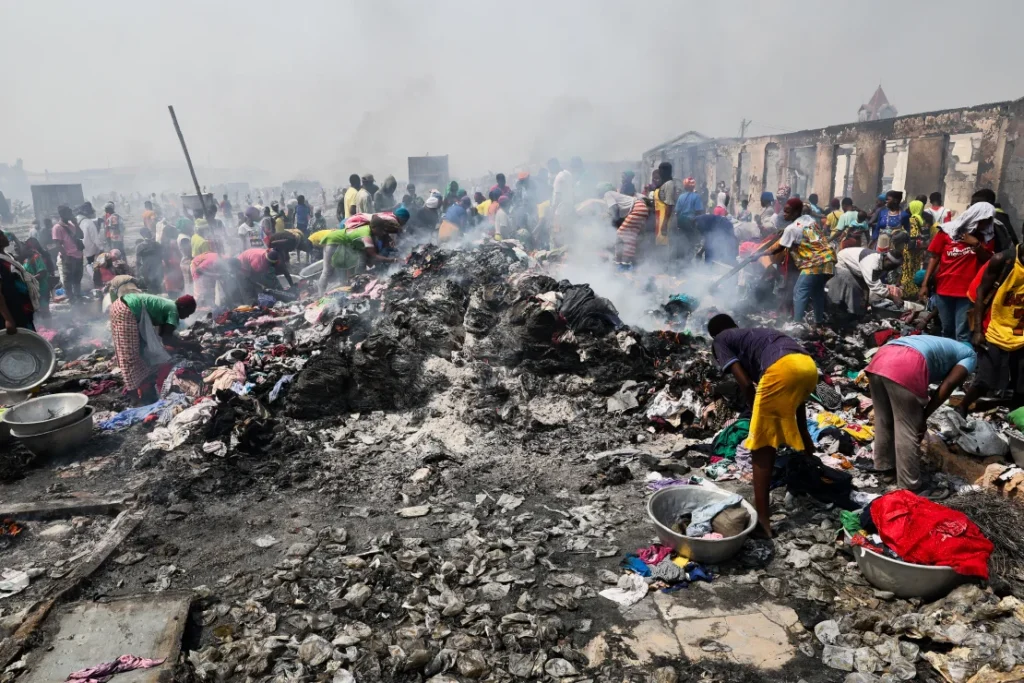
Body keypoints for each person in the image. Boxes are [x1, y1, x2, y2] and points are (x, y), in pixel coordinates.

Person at [709, 314, 818, 537]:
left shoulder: (720, 339)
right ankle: (812, 464)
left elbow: (745, 382)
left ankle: (763, 523)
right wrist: (804, 433)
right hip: (808, 368)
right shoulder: (755, 334)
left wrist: (753, 408)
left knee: (761, 446)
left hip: (781, 369)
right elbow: (794, 386)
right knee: (774, 437)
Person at [864, 336, 976, 491]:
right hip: (906, 363)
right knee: (907, 427)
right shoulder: (970, 355)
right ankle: (909, 485)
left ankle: (885, 468)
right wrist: (924, 416)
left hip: (880, 358)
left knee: (883, 418)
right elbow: (949, 384)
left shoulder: (942, 344)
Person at [959, 242, 1024, 415]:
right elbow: (980, 292)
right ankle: (962, 407)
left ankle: (1012, 420)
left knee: (1021, 385)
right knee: (985, 381)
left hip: (1020, 331)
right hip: (995, 328)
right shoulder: (1004, 260)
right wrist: (978, 331)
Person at [920, 203, 996, 342]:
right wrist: (925, 284)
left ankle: (961, 361)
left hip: (967, 292)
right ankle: (948, 360)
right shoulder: (947, 232)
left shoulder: (985, 238)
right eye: (985, 220)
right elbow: (934, 257)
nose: (988, 224)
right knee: (947, 330)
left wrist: (976, 245)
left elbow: (989, 261)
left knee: (962, 333)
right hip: (944, 289)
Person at [109, 292, 197, 404]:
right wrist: (191, 345)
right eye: (188, 313)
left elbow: (163, 334)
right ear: (182, 307)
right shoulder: (173, 310)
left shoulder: (169, 305)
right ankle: (134, 398)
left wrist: (180, 344)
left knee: (140, 349)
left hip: (120, 305)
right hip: (127, 310)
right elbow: (167, 340)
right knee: (129, 354)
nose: (187, 316)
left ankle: (143, 387)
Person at [768, 200, 835, 326]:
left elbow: (779, 248)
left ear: (797, 212)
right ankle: (818, 322)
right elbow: (802, 230)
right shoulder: (809, 220)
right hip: (828, 259)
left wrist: (761, 254)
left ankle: (796, 324)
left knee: (799, 291)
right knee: (817, 292)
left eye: (788, 212)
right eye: (784, 211)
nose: (784, 214)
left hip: (814, 262)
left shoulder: (791, 228)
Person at [318, 210, 408, 293]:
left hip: (346, 245)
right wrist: (394, 260)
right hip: (333, 241)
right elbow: (374, 256)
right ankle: (320, 294)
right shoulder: (366, 236)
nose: (383, 232)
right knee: (327, 271)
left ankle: (358, 283)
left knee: (360, 262)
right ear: (374, 228)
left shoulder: (369, 230)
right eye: (381, 230)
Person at [828, 246, 904, 320]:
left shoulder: (883, 263)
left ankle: (858, 312)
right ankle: (847, 313)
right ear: (887, 259)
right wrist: (894, 297)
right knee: (853, 287)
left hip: (856, 266)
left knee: (862, 291)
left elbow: (868, 283)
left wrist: (865, 300)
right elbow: (875, 286)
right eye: (893, 266)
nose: (893, 268)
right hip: (844, 262)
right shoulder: (872, 262)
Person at [0, 230, 37, 333]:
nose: (3, 237)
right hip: (13, 312)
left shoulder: (8, 256)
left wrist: (15, 239)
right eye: (0, 236)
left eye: (2, 234)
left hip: (22, 309)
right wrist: (8, 319)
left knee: (29, 338)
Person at [604, 191, 648, 267]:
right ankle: (627, 263)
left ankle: (620, 263)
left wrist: (612, 223)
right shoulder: (616, 196)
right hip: (642, 208)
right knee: (630, 238)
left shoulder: (607, 194)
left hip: (637, 208)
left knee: (620, 235)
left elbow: (615, 211)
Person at [52, 204, 85, 301]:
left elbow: (81, 235)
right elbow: (58, 244)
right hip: (69, 257)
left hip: (78, 255)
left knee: (77, 278)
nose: (71, 214)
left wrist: (76, 223)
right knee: (68, 280)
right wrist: (66, 257)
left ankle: (78, 297)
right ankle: (71, 300)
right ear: (62, 214)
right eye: (69, 212)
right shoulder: (57, 227)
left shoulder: (71, 225)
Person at [653, 162, 682, 252]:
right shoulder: (664, 184)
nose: (659, 172)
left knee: (666, 245)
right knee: (660, 243)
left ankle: (668, 264)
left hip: (666, 219)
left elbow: (669, 205)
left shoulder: (669, 184)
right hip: (660, 217)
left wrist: (664, 224)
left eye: (661, 170)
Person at [20, 237, 50, 317]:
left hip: (42, 289)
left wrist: (30, 280)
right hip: (32, 291)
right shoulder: (24, 261)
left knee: (45, 312)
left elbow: (43, 272)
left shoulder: (36, 257)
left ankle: (49, 328)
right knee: (37, 313)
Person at [135, 227, 165, 293]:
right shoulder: (156, 244)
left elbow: (138, 262)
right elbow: (137, 262)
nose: (149, 233)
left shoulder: (141, 246)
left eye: (149, 232)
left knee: (155, 287)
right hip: (150, 270)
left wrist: (138, 273)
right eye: (147, 232)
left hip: (152, 269)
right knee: (154, 287)